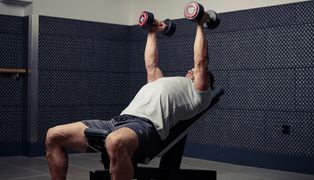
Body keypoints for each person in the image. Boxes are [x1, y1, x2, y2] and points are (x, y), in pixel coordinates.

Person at [45, 13, 214, 180]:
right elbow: (151, 64)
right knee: (54, 135)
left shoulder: (199, 93)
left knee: (114, 141)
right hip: (117, 122)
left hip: (147, 127)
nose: (190, 70)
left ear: (205, 80)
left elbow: (201, 61)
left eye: (194, 72)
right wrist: (152, 31)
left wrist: (199, 24)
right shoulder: (161, 82)